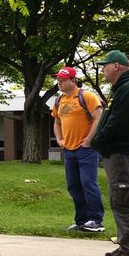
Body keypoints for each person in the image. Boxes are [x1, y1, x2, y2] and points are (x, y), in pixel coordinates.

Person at [91, 50, 129, 256]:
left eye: (105, 65)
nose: (103, 70)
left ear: (116, 66)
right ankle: (125, 245)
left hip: (123, 153)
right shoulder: (122, 88)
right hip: (117, 153)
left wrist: (99, 140)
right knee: (119, 199)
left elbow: (118, 123)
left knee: (124, 201)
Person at [50, 66, 105, 233]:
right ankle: (81, 221)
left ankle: (96, 220)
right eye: (58, 79)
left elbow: (99, 117)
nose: (59, 82)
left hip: (86, 150)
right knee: (74, 186)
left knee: (88, 183)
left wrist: (88, 140)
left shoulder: (86, 96)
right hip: (69, 150)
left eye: (63, 79)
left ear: (73, 80)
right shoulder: (60, 100)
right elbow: (57, 122)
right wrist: (59, 140)